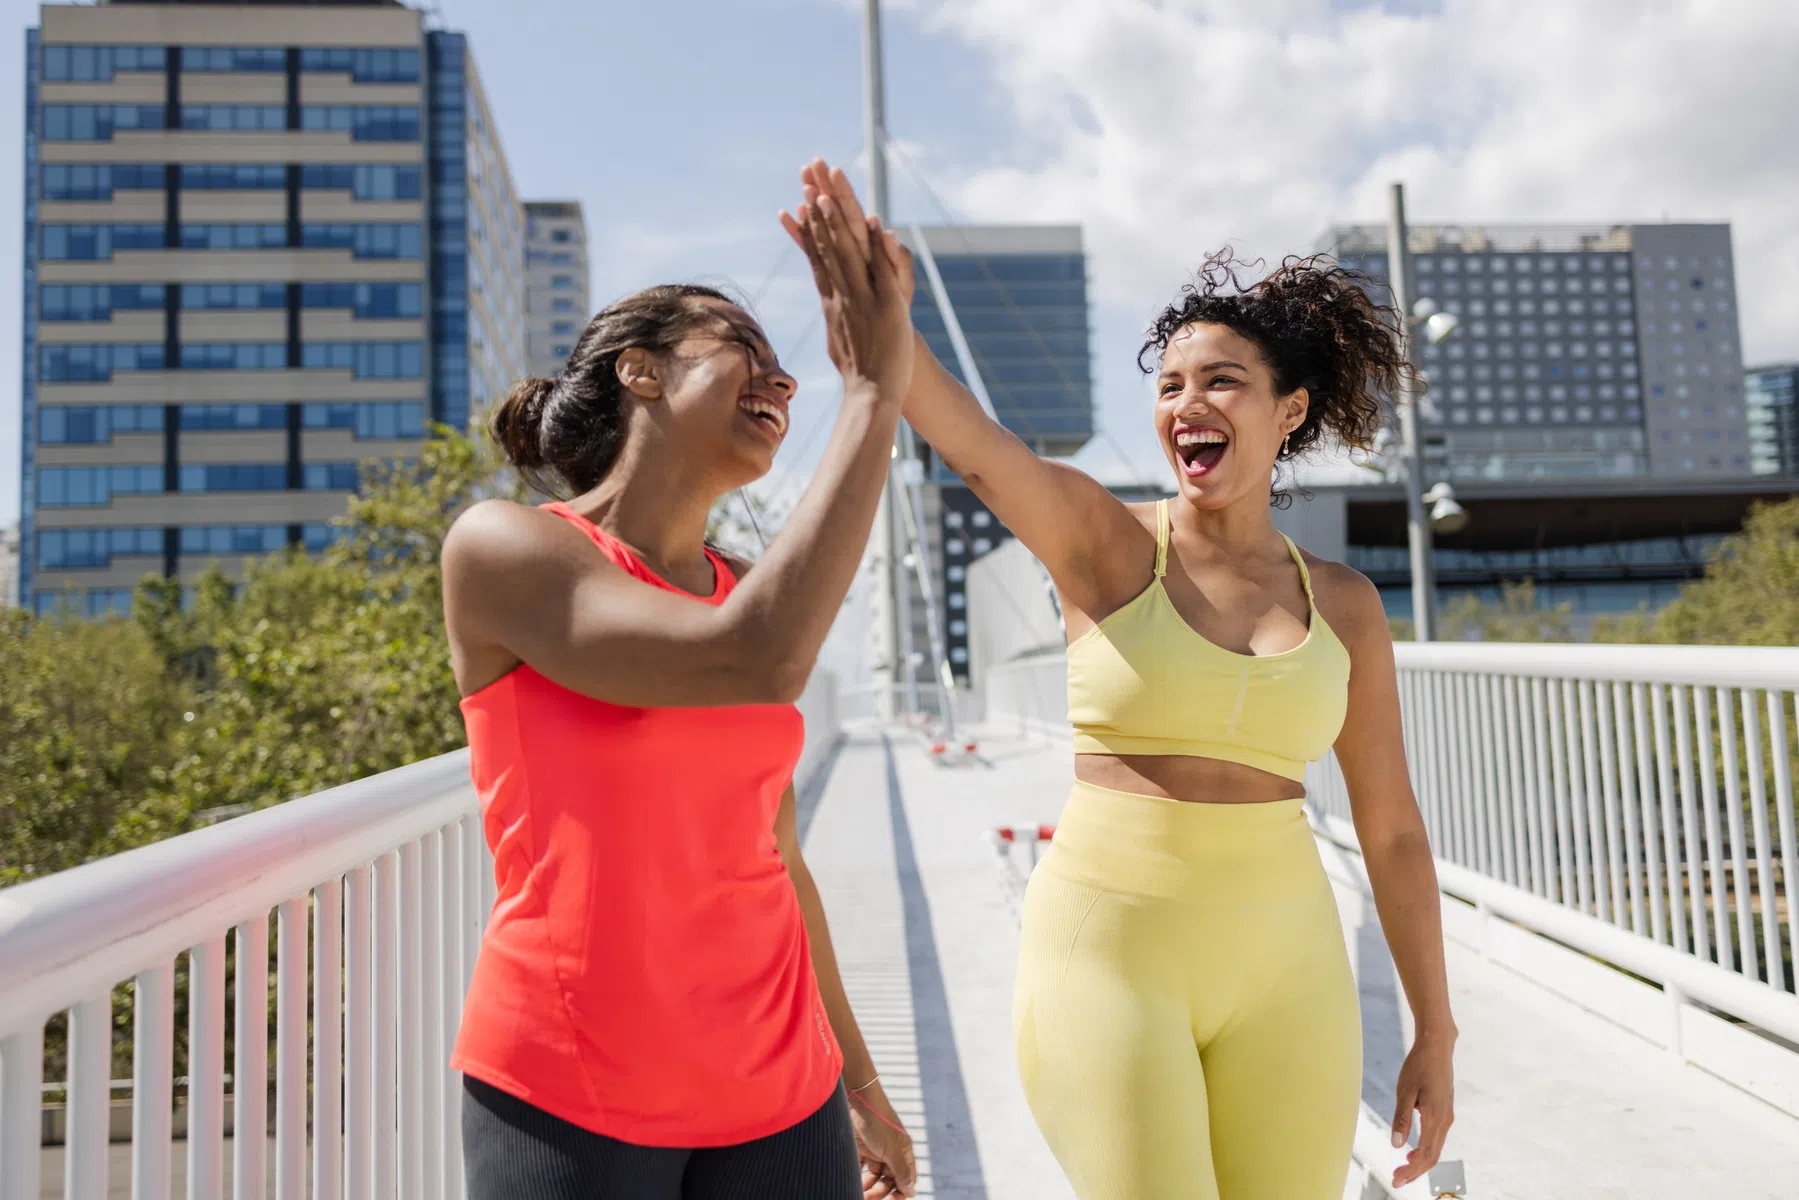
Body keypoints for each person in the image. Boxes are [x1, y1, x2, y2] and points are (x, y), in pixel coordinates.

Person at [786, 161, 1457, 1200]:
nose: (1187, 403)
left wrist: (1434, 1029)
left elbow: (1393, 832)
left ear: (1289, 412)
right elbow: (971, 443)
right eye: (1168, 385)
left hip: (1290, 969)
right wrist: (879, 326)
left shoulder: (1346, 605)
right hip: (1106, 961)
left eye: (1221, 380)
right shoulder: (1103, 543)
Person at [441, 191, 919, 1199]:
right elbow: (747, 662)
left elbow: (779, 860)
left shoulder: (749, 588)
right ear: (640, 370)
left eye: (786, 365)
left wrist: (859, 1080)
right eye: (739, 344)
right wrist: (872, 391)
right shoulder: (507, 548)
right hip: (575, 1093)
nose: (783, 375)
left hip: (782, 1094)